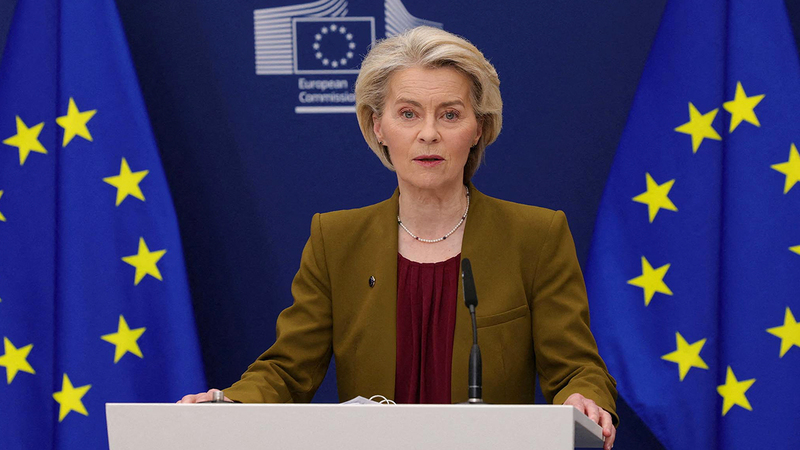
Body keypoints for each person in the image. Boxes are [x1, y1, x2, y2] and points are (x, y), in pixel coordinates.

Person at [179, 26, 617, 449]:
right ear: (378, 127)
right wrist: (232, 404)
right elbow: (288, 370)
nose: (429, 133)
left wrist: (584, 398)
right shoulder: (337, 240)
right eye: (408, 114)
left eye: (450, 114)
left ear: (478, 128)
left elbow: (575, 368)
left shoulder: (535, 237)